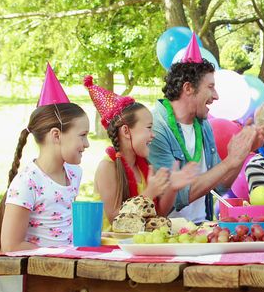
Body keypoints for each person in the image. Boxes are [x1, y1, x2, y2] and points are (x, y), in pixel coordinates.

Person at [148, 33, 263, 222]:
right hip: (167, 231)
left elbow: (220, 186)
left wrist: (240, 156)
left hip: (203, 226)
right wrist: (229, 162)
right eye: (210, 87)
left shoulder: (202, 125)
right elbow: (178, 196)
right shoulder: (157, 129)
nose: (216, 96)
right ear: (188, 88)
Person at [0, 65, 90, 253]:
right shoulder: (27, 182)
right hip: (39, 276)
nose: (87, 144)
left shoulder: (74, 173)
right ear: (56, 135)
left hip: (68, 272)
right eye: (83, 135)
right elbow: (11, 245)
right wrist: (60, 256)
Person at [84, 76, 198, 231]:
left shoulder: (143, 166)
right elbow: (115, 219)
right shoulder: (108, 167)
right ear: (126, 131)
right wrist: (149, 193)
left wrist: (172, 188)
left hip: (138, 246)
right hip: (112, 250)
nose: (153, 135)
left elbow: (158, 214)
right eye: (148, 127)